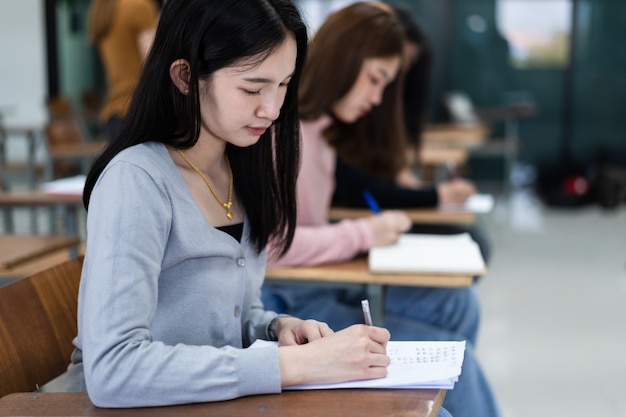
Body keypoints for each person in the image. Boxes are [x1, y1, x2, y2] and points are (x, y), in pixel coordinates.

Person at [67, 0, 398, 408]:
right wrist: (294, 366)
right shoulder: (136, 179)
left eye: (283, 85)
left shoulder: (239, 164)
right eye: (252, 88)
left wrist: (274, 328)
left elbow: (224, 322)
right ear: (185, 76)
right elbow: (113, 370)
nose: (273, 109)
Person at [261, 3, 501, 417]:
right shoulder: (282, 131)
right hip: (291, 300)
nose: (376, 98)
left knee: (458, 305)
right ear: (343, 61)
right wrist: (365, 234)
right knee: (460, 361)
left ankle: (440, 398)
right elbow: (273, 245)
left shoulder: (320, 132)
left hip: (315, 283)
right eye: (375, 80)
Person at [331, 3, 491, 264]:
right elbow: (356, 190)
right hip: (350, 228)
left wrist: (405, 180)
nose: (380, 94)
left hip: (360, 226)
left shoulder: (367, 111)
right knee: (471, 251)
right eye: (377, 77)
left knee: (472, 250)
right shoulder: (332, 117)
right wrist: (436, 196)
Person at [87, 0, 160, 141]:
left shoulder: (104, 10)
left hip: (115, 112)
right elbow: (154, 64)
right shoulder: (138, 7)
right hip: (139, 112)